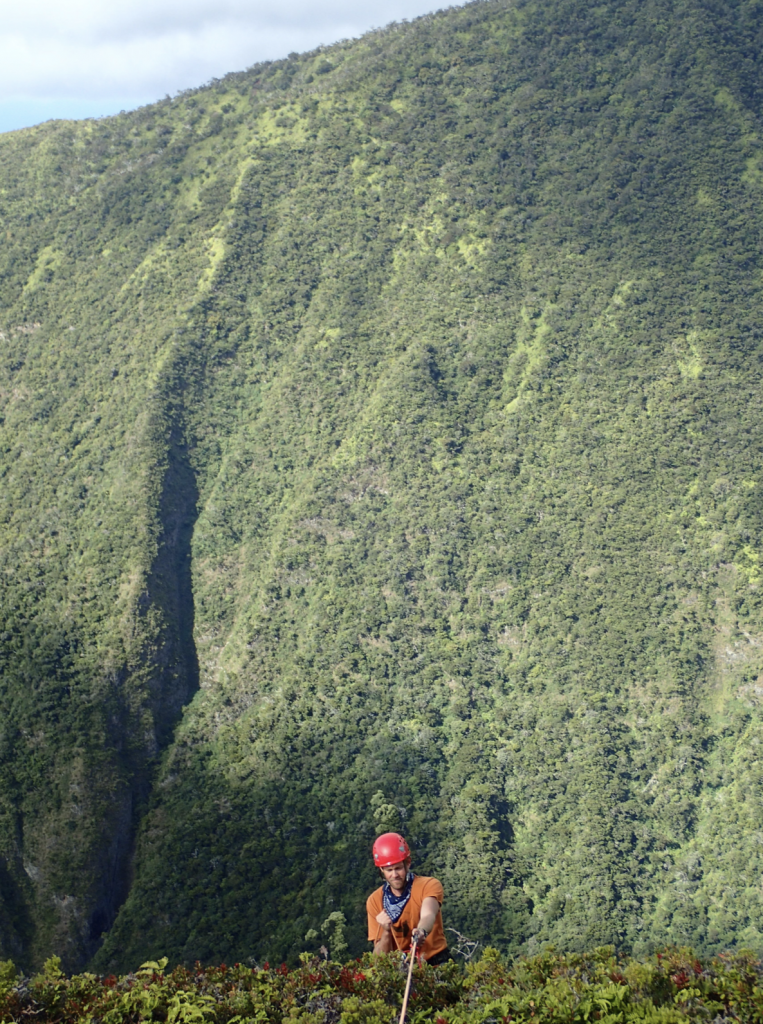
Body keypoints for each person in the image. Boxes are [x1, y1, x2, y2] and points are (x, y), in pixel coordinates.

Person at [366, 832, 451, 965]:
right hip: (400, 969)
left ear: (408, 863)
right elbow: (378, 959)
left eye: (398, 868)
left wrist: (421, 931)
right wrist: (386, 932)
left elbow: (428, 913)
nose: (394, 875)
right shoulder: (374, 901)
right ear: (382, 870)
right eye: (389, 870)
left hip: (436, 961)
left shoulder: (428, 885)